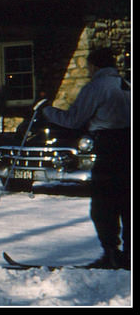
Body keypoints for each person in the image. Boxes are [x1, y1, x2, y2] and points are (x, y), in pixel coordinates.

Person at [42, 47, 130, 269]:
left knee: (103, 204)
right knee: (127, 202)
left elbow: (73, 119)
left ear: (94, 66)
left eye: (89, 66)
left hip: (109, 147)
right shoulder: (126, 84)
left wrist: (47, 111)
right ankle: (129, 254)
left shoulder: (97, 87)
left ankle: (111, 252)